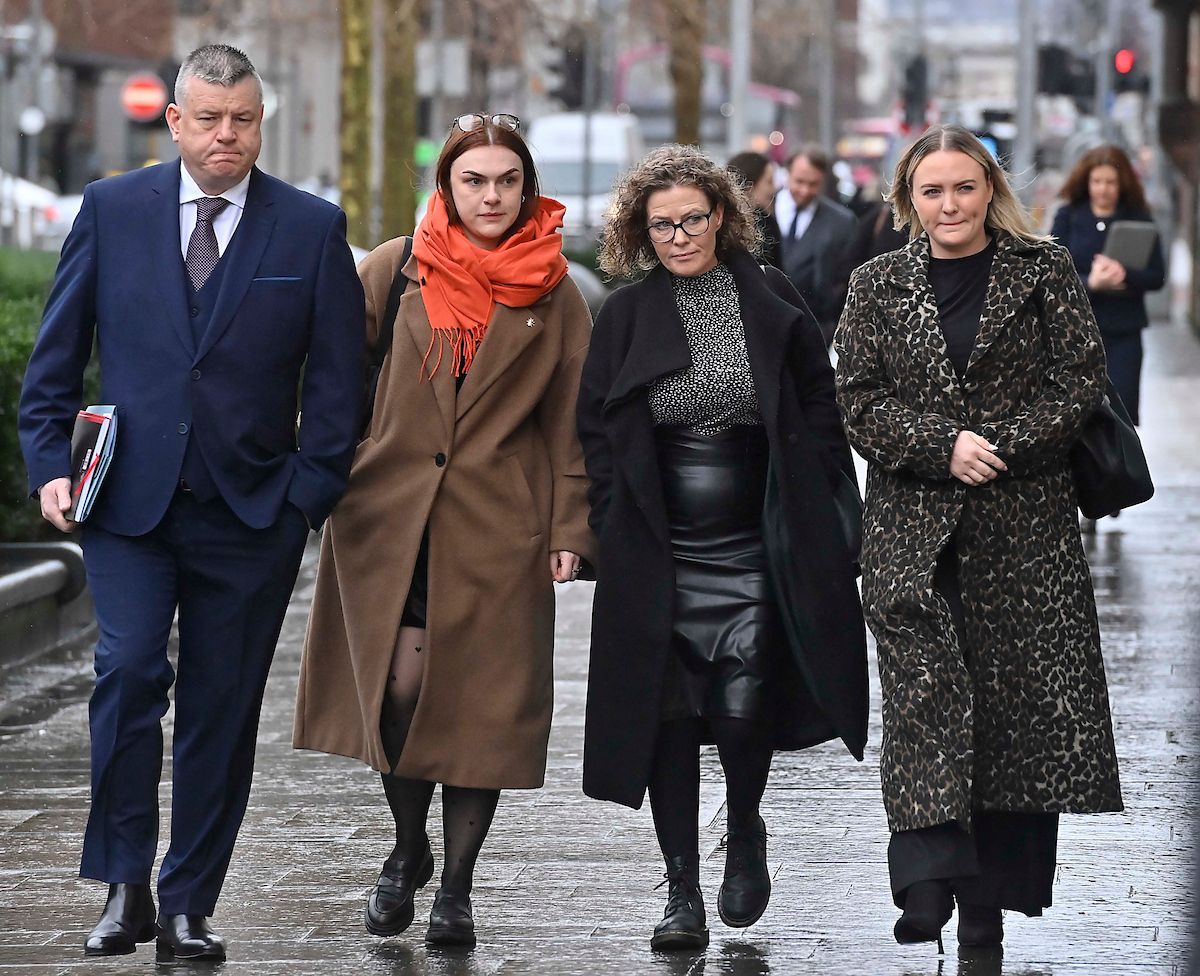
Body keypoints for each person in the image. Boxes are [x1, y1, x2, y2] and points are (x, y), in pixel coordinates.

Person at [17, 45, 364, 960]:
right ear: (174, 121)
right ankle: (123, 884)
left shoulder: (310, 228)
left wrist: (307, 496)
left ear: (261, 122)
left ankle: (187, 904)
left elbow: (339, 386)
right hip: (128, 506)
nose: (226, 136)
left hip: (252, 514)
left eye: (242, 120)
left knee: (223, 708)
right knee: (129, 673)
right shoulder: (112, 210)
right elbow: (55, 363)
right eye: (208, 119)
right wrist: (50, 466)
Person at [293, 112, 595, 949]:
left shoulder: (556, 291)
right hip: (387, 518)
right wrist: (329, 467)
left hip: (498, 525)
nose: (491, 196)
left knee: (478, 708)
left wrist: (570, 525)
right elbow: (330, 374)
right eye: (475, 180)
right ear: (447, 186)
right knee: (394, 692)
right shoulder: (396, 268)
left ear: (527, 188)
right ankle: (407, 847)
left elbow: (573, 420)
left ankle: (457, 885)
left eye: (507, 181)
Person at [834, 124, 1123, 955]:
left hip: (1023, 532)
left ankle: (988, 906)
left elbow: (1080, 380)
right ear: (909, 199)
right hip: (912, 534)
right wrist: (942, 446)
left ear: (990, 190)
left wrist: (997, 446)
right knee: (924, 697)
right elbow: (858, 399)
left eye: (964, 187)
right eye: (932, 190)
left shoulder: (1043, 270)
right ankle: (927, 881)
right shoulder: (877, 283)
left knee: (1009, 716)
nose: (950, 204)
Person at [578, 144, 867, 951]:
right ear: (640, 232)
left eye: (692, 220)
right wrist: (608, 518)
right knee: (667, 719)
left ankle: (743, 827)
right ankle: (680, 887)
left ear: (722, 217)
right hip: (659, 544)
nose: (679, 237)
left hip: (756, 540)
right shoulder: (625, 314)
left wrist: (824, 502)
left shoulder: (769, 294)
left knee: (744, 705)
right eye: (661, 225)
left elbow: (818, 397)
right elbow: (594, 426)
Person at [1051, 144, 1166, 428]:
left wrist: (1124, 275)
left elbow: (1157, 276)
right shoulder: (1068, 216)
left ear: (1122, 182)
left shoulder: (1139, 218)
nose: (1103, 189)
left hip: (1124, 332)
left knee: (1121, 417)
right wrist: (1091, 282)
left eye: (1110, 182)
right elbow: (1051, 274)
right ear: (1086, 181)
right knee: (1078, 416)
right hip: (1076, 334)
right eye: (1097, 181)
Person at [774, 145, 857, 345]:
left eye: (813, 184)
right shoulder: (764, 211)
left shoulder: (842, 222)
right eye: (799, 181)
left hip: (817, 331)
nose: (805, 191)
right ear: (787, 175)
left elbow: (846, 278)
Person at [726, 150, 783, 269]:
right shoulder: (721, 225)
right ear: (749, 187)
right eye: (769, 182)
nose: (773, 189)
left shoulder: (768, 223)